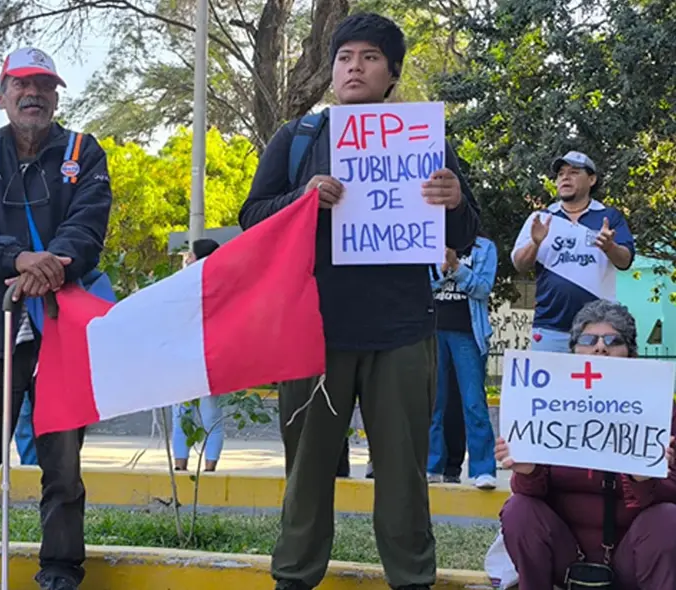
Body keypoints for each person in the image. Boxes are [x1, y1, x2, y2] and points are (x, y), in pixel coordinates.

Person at [238, 13, 480, 590]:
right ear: (332, 70)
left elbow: (465, 235)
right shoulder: (298, 139)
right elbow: (251, 220)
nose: (355, 67)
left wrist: (452, 200)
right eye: (345, 57)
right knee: (307, 474)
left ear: (392, 74)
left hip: (401, 331)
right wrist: (301, 199)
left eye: (370, 57)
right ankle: (294, 578)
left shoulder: (427, 139)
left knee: (402, 478)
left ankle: (413, 579)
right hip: (311, 332)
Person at [0, 47, 112, 590]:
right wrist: (17, 259)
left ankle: (60, 567)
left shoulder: (84, 152)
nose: (32, 93)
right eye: (20, 85)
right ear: (1, 96)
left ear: (57, 95)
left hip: (63, 328)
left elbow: (88, 225)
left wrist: (50, 266)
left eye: (43, 85)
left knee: (63, 458)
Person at [497, 299, 676, 589]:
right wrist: (528, 471)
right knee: (519, 509)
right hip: (567, 554)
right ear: (573, 351)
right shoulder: (545, 405)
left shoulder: (661, 410)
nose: (600, 348)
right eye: (588, 340)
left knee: (667, 518)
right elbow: (529, 495)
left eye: (612, 340)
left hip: (631, 555)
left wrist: (643, 480)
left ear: (630, 353)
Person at [511, 151, 635, 353]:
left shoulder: (609, 216)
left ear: (592, 179)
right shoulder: (541, 218)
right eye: (560, 173)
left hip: (598, 328)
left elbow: (625, 261)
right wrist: (535, 243)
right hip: (550, 327)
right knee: (552, 386)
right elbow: (519, 264)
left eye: (574, 172)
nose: (565, 177)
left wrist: (609, 246)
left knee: (595, 385)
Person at [427, 236, 498, 490]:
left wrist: (456, 266)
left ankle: (483, 469)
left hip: (468, 334)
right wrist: (441, 269)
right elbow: (421, 286)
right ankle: (431, 466)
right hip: (432, 332)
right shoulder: (429, 239)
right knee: (433, 402)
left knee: (473, 402)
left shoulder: (484, 248)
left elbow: (482, 288)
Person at [172, 238, 226, 472]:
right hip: (213, 356)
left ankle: (180, 465)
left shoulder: (182, 285)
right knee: (212, 415)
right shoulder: (223, 286)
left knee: (181, 414)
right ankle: (210, 467)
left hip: (184, 356)